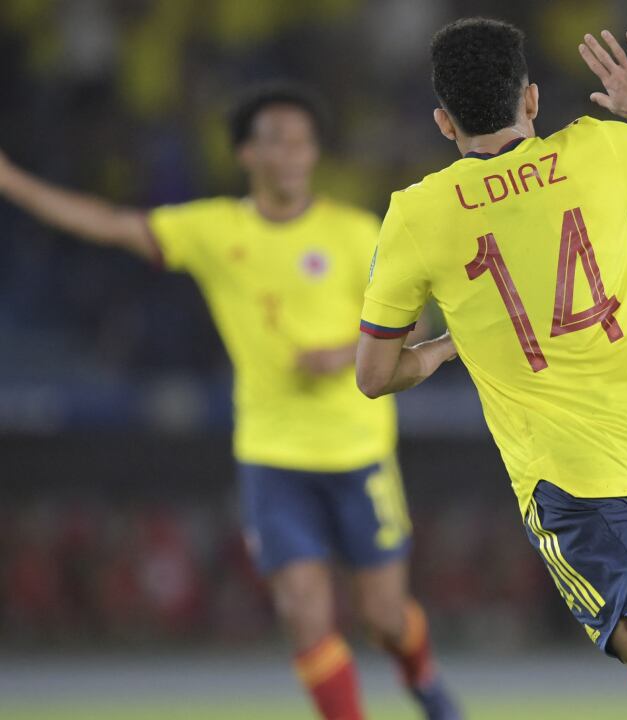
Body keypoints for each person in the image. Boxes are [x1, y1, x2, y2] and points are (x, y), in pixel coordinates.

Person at [0, 85, 461, 720]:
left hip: (359, 452)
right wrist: (12, 181)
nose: (292, 152)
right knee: (304, 612)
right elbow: (111, 224)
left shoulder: (358, 233)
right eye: (276, 139)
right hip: (273, 456)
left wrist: (343, 352)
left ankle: (428, 687)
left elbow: (417, 321)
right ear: (248, 153)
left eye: (302, 140)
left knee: (385, 618)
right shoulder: (215, 230)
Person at [355, 18, 627, 720]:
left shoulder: (417, 216)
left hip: (576, 485)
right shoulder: (601, 148)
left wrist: (446, 349)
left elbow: (373, 373)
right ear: (533, 100)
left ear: (443, 122)